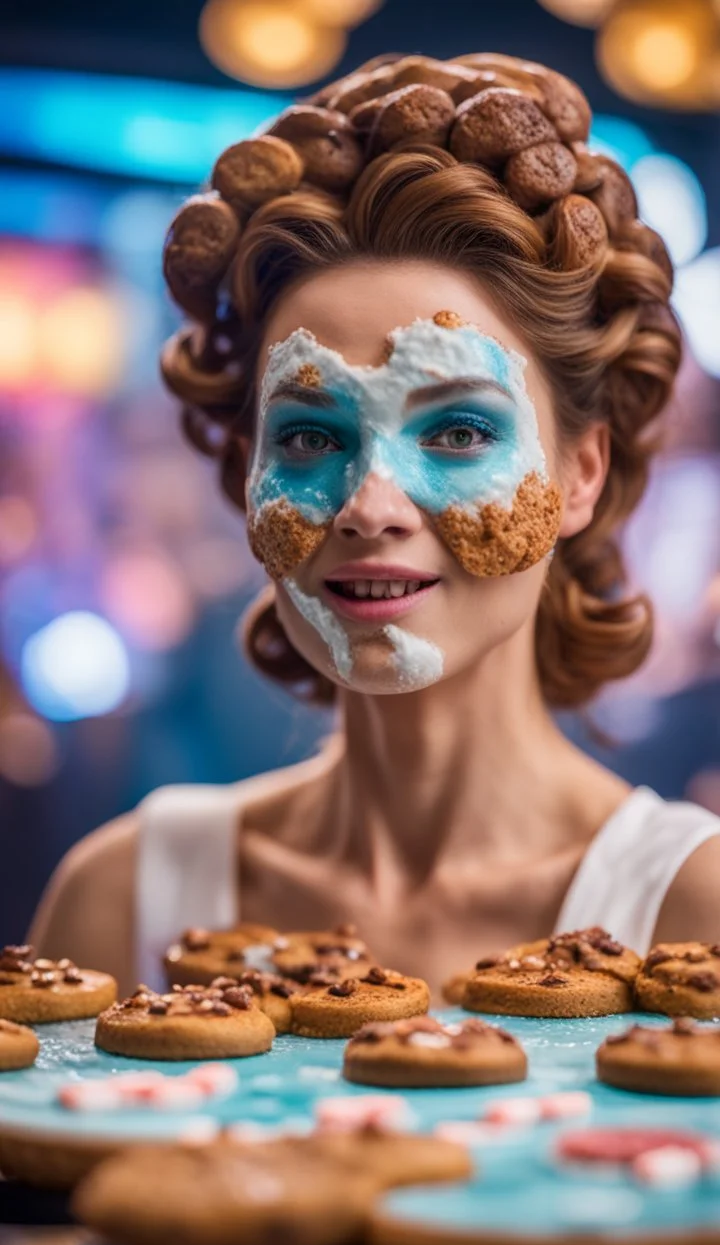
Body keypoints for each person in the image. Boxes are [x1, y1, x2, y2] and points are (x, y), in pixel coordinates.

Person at [30, 53, 720, 999]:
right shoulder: (119, 905)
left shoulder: (695, 919)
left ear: (579, 473)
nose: (371, 506)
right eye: (311, 435)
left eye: (461, 429)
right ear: (248, 476)